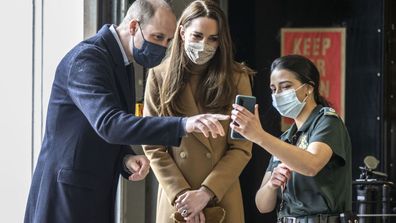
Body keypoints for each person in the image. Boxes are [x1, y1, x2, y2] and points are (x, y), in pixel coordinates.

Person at [24, 1, 230, 223]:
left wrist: (126, 158)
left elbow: (94, 128)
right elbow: (109, 124)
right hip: (65, 197)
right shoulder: (88, 58)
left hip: (92, 194)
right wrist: (183, 124)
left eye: (168, 40)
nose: (162, 47)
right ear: (133, 27)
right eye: (157, 37)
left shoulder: (122, 63)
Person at [142, 1, 254, 222]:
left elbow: (242, 146)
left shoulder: (238, 77)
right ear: (182, 32)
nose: (205, 45)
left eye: (213, 38)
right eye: (197, 36)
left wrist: (206, 193)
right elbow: (152, 144)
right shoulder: (158, 76)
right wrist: (183, 196)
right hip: (177, 199)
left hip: (220, 195)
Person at [230, 54, 352, 223]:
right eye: (273, 89)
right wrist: (272, 185)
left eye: (285, 86)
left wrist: (259, 136)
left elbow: (311, 164)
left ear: (308, 88)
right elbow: (262, 205)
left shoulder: (326, 121)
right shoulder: (286, 138)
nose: (278, 95)